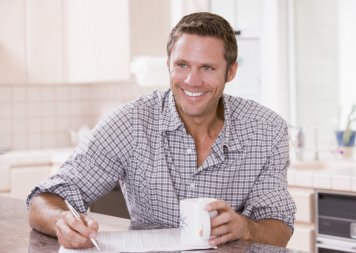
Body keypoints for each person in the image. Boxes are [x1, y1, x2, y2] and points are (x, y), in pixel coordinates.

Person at [27, 12, 296, 249]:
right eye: (182, 65)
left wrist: (246, 228)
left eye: (207, 68)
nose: (192, 80)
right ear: (168, 63)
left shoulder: (267, 130)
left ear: (231, 71)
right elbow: (44, 200)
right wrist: (63, 222)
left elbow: (280, 230)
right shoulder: (131, 122)